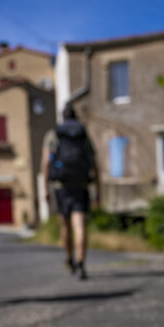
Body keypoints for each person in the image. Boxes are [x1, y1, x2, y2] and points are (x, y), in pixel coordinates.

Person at [41, 104, 99, 280]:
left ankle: (69, 258)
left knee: (65, 225)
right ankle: (81, 262)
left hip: (61, 185)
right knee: (79, 225)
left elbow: (45, 163)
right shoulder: (82, 134)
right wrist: (97, 191)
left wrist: (45, 189)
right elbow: (94, 163)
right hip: (81, 185)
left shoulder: (54, 134)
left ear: (62, 117)